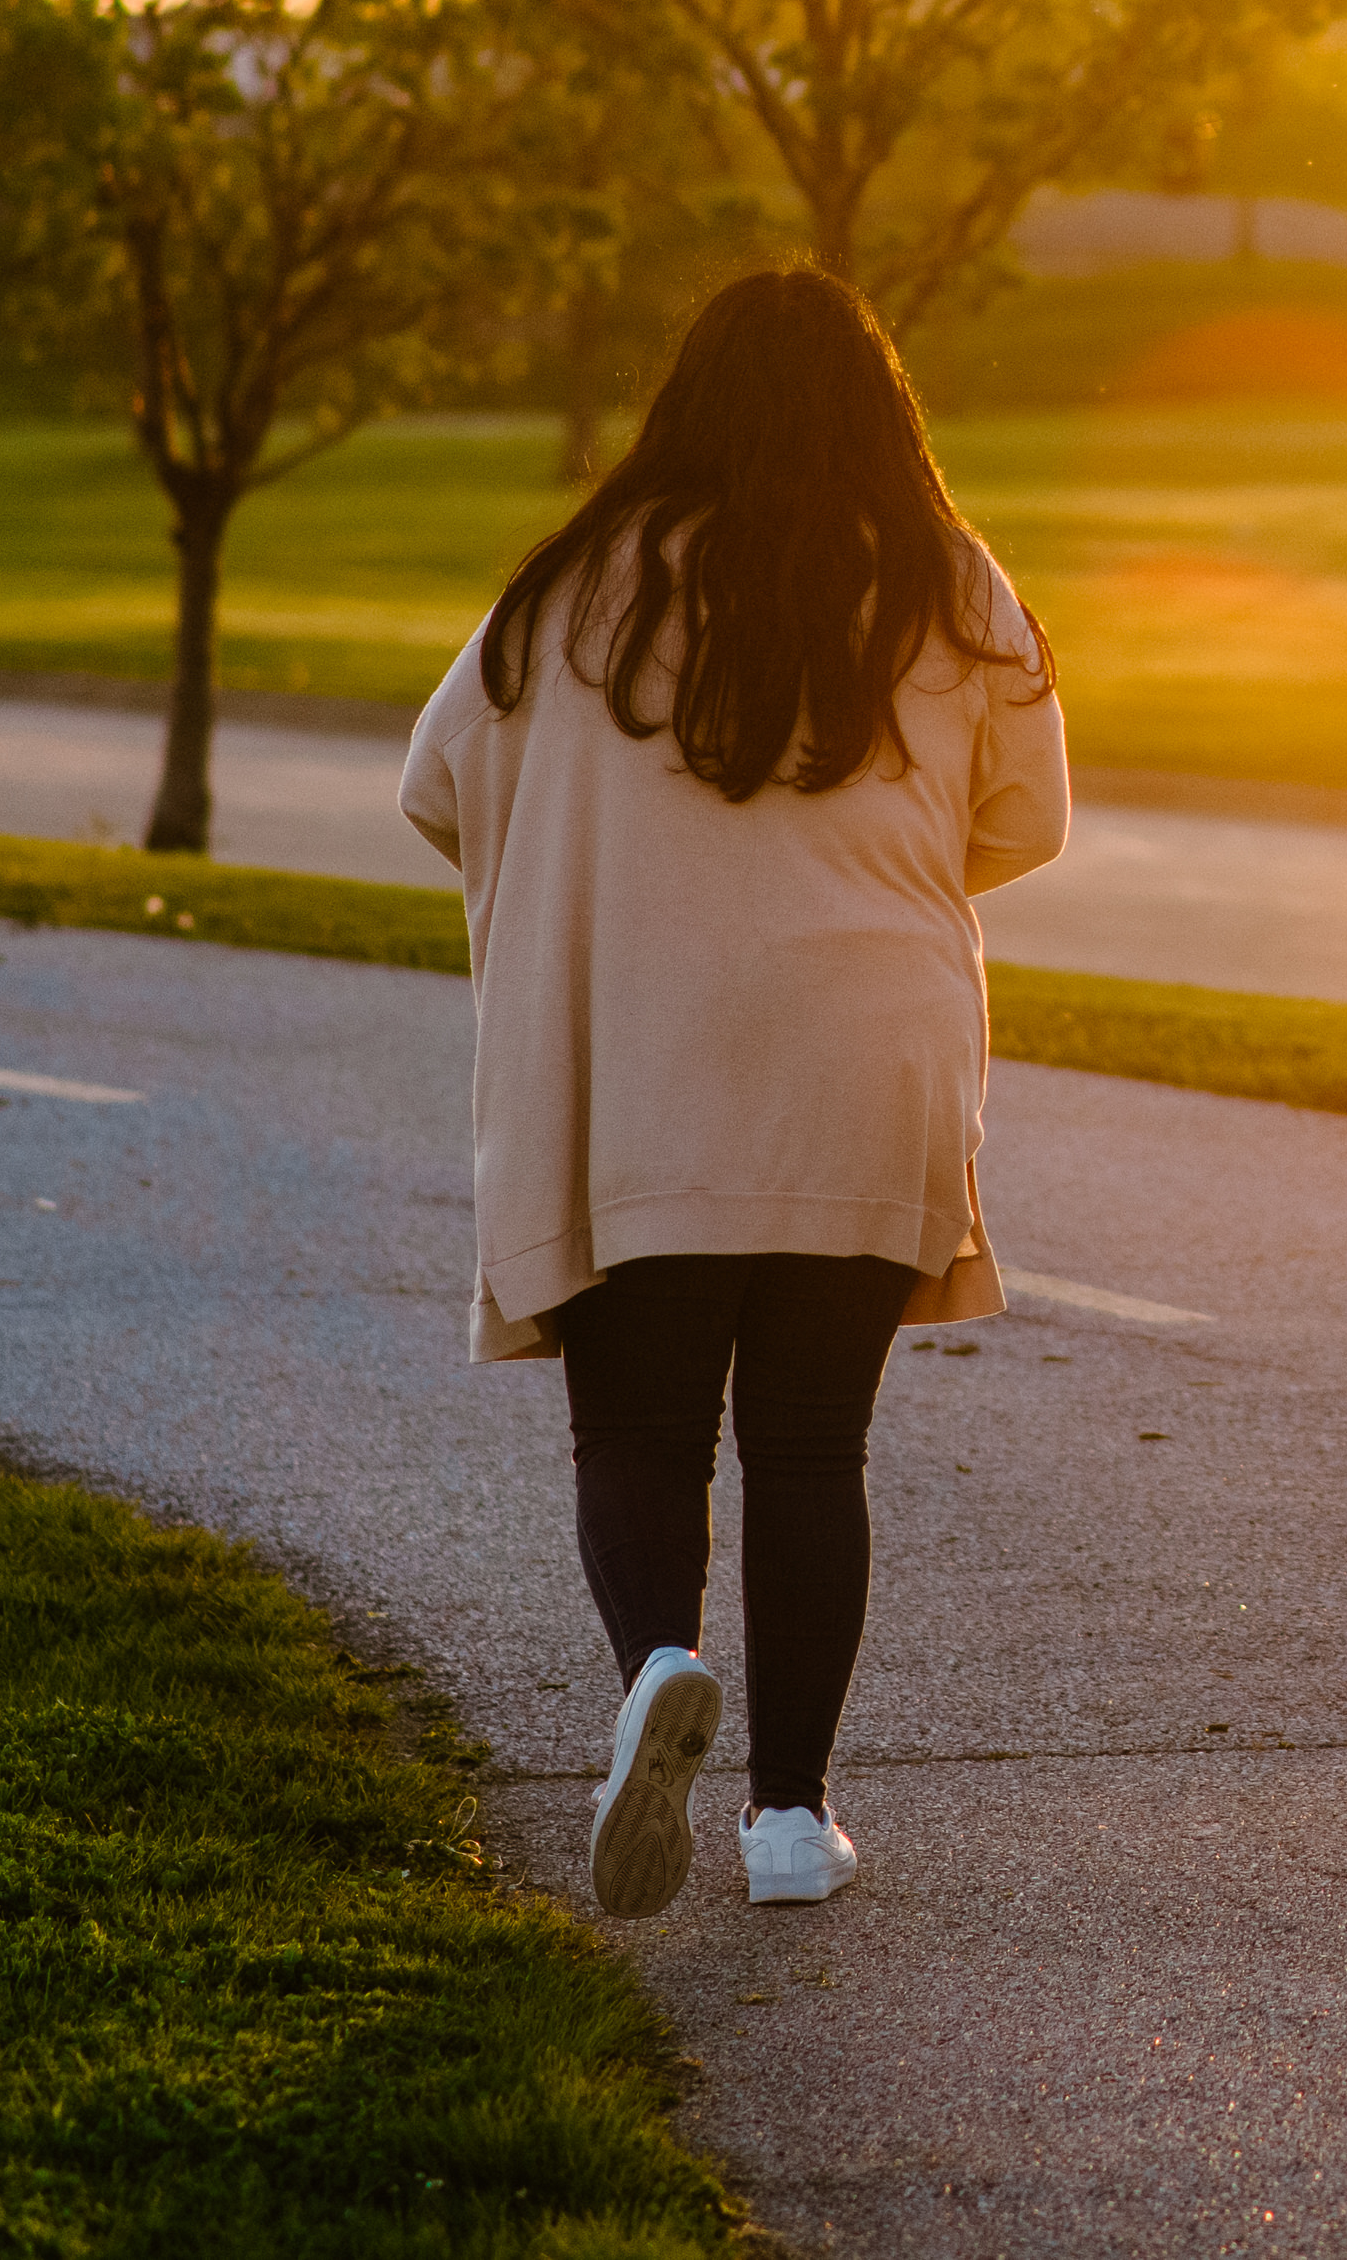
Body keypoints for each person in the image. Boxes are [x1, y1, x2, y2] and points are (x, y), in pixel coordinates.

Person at [400, 264, 1070, 1925]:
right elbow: (1027, 823)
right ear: (879, 410)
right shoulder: (946, 582)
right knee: (811, 1441)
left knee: (637, 1428)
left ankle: (654, 1681)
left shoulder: (568, 593)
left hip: (638, 1071)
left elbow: (434, 790)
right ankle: (789, 1819)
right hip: (868, 1066)